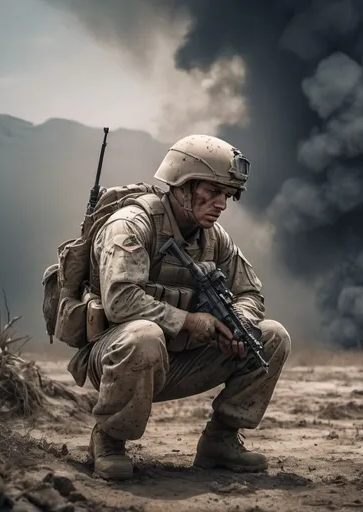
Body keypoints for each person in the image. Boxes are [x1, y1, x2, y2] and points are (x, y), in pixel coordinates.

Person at [67, 134, 291, 481]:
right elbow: (120, 299)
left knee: (272, 337)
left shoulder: (214, 238)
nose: (222, 204)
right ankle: (109, 440)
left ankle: (220, 440)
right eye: (212, 192)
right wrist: (188, 321)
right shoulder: (131, 224)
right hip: (118, 357)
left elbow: (249, 292)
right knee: (144, 334)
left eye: (227, 195)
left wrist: (238, 326)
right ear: (183, 185)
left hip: (181, 361)